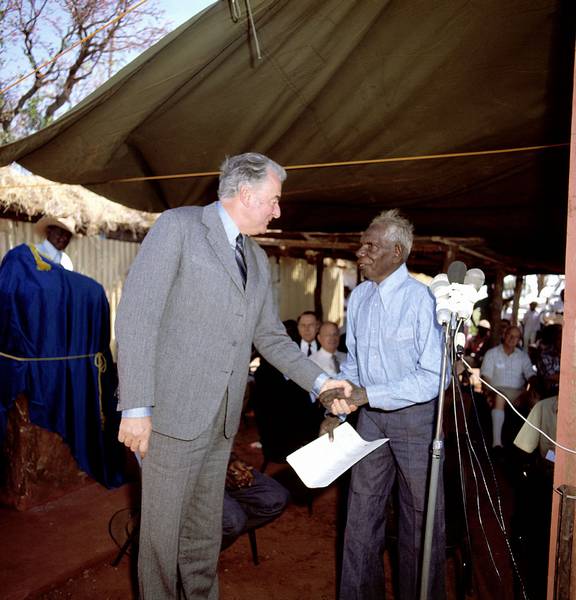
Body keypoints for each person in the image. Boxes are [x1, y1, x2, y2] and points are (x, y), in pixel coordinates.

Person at [115, 152, 349, 599]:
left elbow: (271, 339)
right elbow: (138, 318)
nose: (278, 211)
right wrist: (136, 407)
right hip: (169, 418)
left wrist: (320, 383)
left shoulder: (257, 260)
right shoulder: (179, 228)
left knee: (203, 538)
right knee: (162, 543)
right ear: (246, 194)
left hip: (221, 424)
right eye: (274, 200)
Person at [319, 209, 446, 600]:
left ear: (397, 251)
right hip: (370, 420)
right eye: (362, 244)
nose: (361, 251)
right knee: (360, 516)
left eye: (370, 245)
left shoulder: (423, 300)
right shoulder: (359, 298)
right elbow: (354, 365)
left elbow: (432, 377)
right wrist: (335, 409)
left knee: (420, 523)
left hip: (416, 420)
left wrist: (367, 395)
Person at [480, 325, 537, 450]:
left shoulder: (523, 356)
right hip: (497, 390)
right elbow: (486, 378)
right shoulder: (492, 353)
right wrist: (489, 393)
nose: (512, 339)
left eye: (516, 337)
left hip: (518, 392)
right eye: (510, 335)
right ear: (504, 335)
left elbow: (531, 376)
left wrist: (528, 392)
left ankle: (532, 446)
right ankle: (497, 444)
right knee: (500, 397)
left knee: (537, 401)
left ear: (519, 340)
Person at [221, 453, 289, 549]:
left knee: (277, 499)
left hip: (215, 462)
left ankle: (217, 532)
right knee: (232, 522)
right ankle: (198, 551)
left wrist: (231, 460)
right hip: (193, 473)